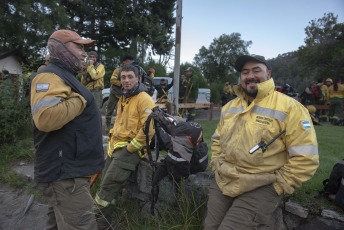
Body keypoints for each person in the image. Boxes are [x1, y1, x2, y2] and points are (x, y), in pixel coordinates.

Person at [204, 54, 319, 229]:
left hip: (262, 185)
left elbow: (306, 157)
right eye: (245, 72)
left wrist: (278, 185)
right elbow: (217, 140)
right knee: (210, 227)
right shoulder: (230, 107)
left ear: (269, 74)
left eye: (256, 70)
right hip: (223, 180)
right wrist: (216, 163)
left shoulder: (291, 107)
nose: (250, 75)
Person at [30, 29, 105, 229]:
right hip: (65, 176)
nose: (84, 53)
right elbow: (45, 118)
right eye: (79, 46)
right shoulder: (48, 76)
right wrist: (80, 99)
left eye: (84, 48)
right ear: (60, 48)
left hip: (69, 172)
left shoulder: (66, 75)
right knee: (83, 225)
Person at [95, 65, 155, 229]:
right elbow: (121, 124)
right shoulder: (124, 97)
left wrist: (131, 148)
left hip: (130, 150)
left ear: (138, 78)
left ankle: (97, 224)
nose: (126, 80)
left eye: (130, 76)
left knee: (107, 187)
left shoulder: (144, 99)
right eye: (123, 77)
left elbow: (148, 129)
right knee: (106, 187)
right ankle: (106, 220)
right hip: (115, 147)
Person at [105, 54, 134, 132]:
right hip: (114, 93)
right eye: (128, 61)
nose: (130, 63)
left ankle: (119, 127)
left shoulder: (132, 71)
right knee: (110, 110)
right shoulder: (118, 70)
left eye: (131, 61)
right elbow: (112, 80)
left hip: (123, 95)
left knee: (121, 112)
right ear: (125, 62)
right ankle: (107, 126)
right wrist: (122, 83)